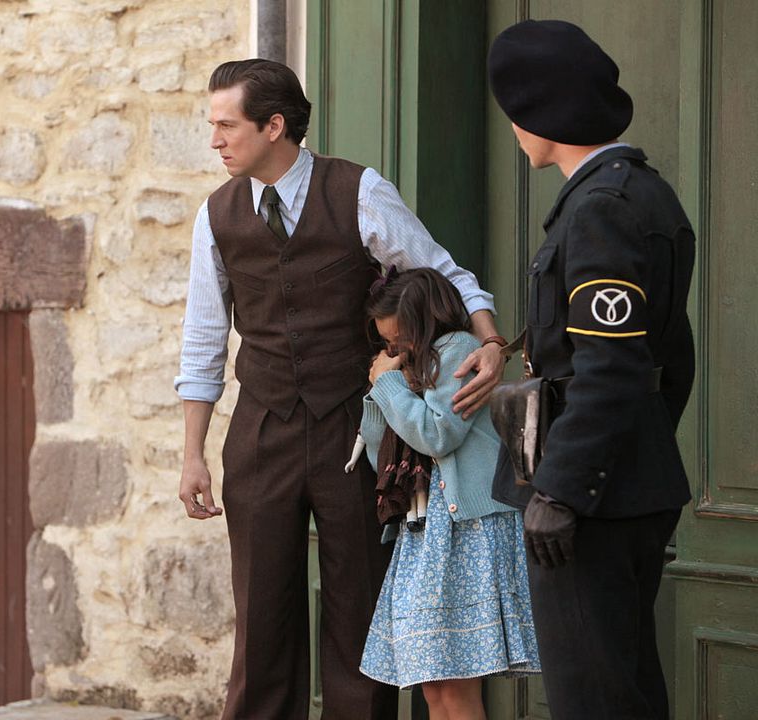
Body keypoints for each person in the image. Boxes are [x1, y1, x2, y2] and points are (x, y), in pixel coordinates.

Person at [175, 58, 507, 719]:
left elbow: (445, 276)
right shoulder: (215, 216)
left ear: (274, 126)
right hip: (261, 431)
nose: (214, 140)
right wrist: (192, 453)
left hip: (360, 431)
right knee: (261, 618)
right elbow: (202, 342)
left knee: (361, 611)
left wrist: (492, 341)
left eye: (225, 125)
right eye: (212, 125)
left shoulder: (359, 192)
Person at [487, 20, 695, 720]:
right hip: (629, 482)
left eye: (517, 109)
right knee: (626, 687)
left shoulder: (599, 209)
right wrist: (637, 448)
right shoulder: (642, 193)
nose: (515, 127)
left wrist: (563, 490)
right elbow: (674, 355)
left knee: (592, 698)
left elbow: (610, 368)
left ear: (544, 111)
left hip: (591, 501)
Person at [357, 267, 540, 720]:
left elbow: (437, 435)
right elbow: (381, 461)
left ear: (422, 321)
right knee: (434, 684)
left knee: (454, 684)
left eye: (399, 339)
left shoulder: (458, 349)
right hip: (426, 535)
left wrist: (389, 385)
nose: (394, 350)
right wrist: (380, 392)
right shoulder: (412, 370)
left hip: (466, 532)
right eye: (387, 344)